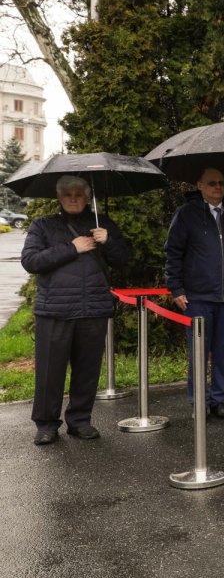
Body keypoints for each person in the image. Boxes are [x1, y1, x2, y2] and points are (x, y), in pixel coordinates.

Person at [22, 175, 131, 445]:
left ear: (86, 197)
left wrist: (110, 241)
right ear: (59, 197)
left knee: (87, 370)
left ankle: (80, 421)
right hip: (54, 311)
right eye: (67, 194)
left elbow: (123, 260)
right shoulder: (43, 225)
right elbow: (31, 260)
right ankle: (46, 424)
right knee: (50, 372)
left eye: (78, 194)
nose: (73, 198)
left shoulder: (101, 224)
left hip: (93, 309)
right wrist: (71, 248)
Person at [164, 167, 224, 420]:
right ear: (200, 186)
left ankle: (218, 400)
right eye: (212, 183)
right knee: (199, 353)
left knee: (223, 352)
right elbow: (173, 252)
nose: (218, 187)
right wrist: (176, 288)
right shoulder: (186, 214)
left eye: (222, 183)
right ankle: (199, 402)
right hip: (197, 297)